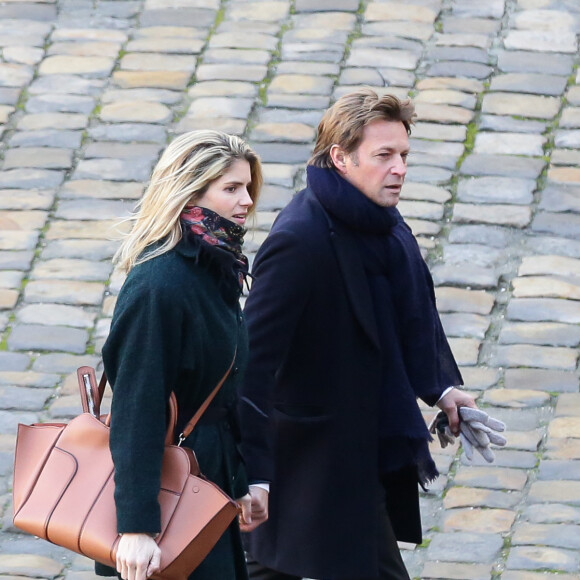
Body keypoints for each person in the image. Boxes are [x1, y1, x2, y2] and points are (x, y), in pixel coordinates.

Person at [238, 89, 478, 580]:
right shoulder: (299, 241)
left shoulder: (383, 224)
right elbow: (252, 365)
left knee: (271, 568)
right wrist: (254, 473)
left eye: (404, 155)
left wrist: (443, 388)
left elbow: (411, 316)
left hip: (360, 450)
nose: (400, 169)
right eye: (384, 156)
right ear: (340, 158)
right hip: (312, 463)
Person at [95, 130, 267, 580]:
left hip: (206, 488)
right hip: (169, 500)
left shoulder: (214, 269)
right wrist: (135, 527)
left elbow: (224, 393)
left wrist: (242, 482)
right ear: (189, 192)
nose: (246, 200)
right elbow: (137, 408)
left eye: (247, 187)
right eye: (231, 188)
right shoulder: (160, 286)